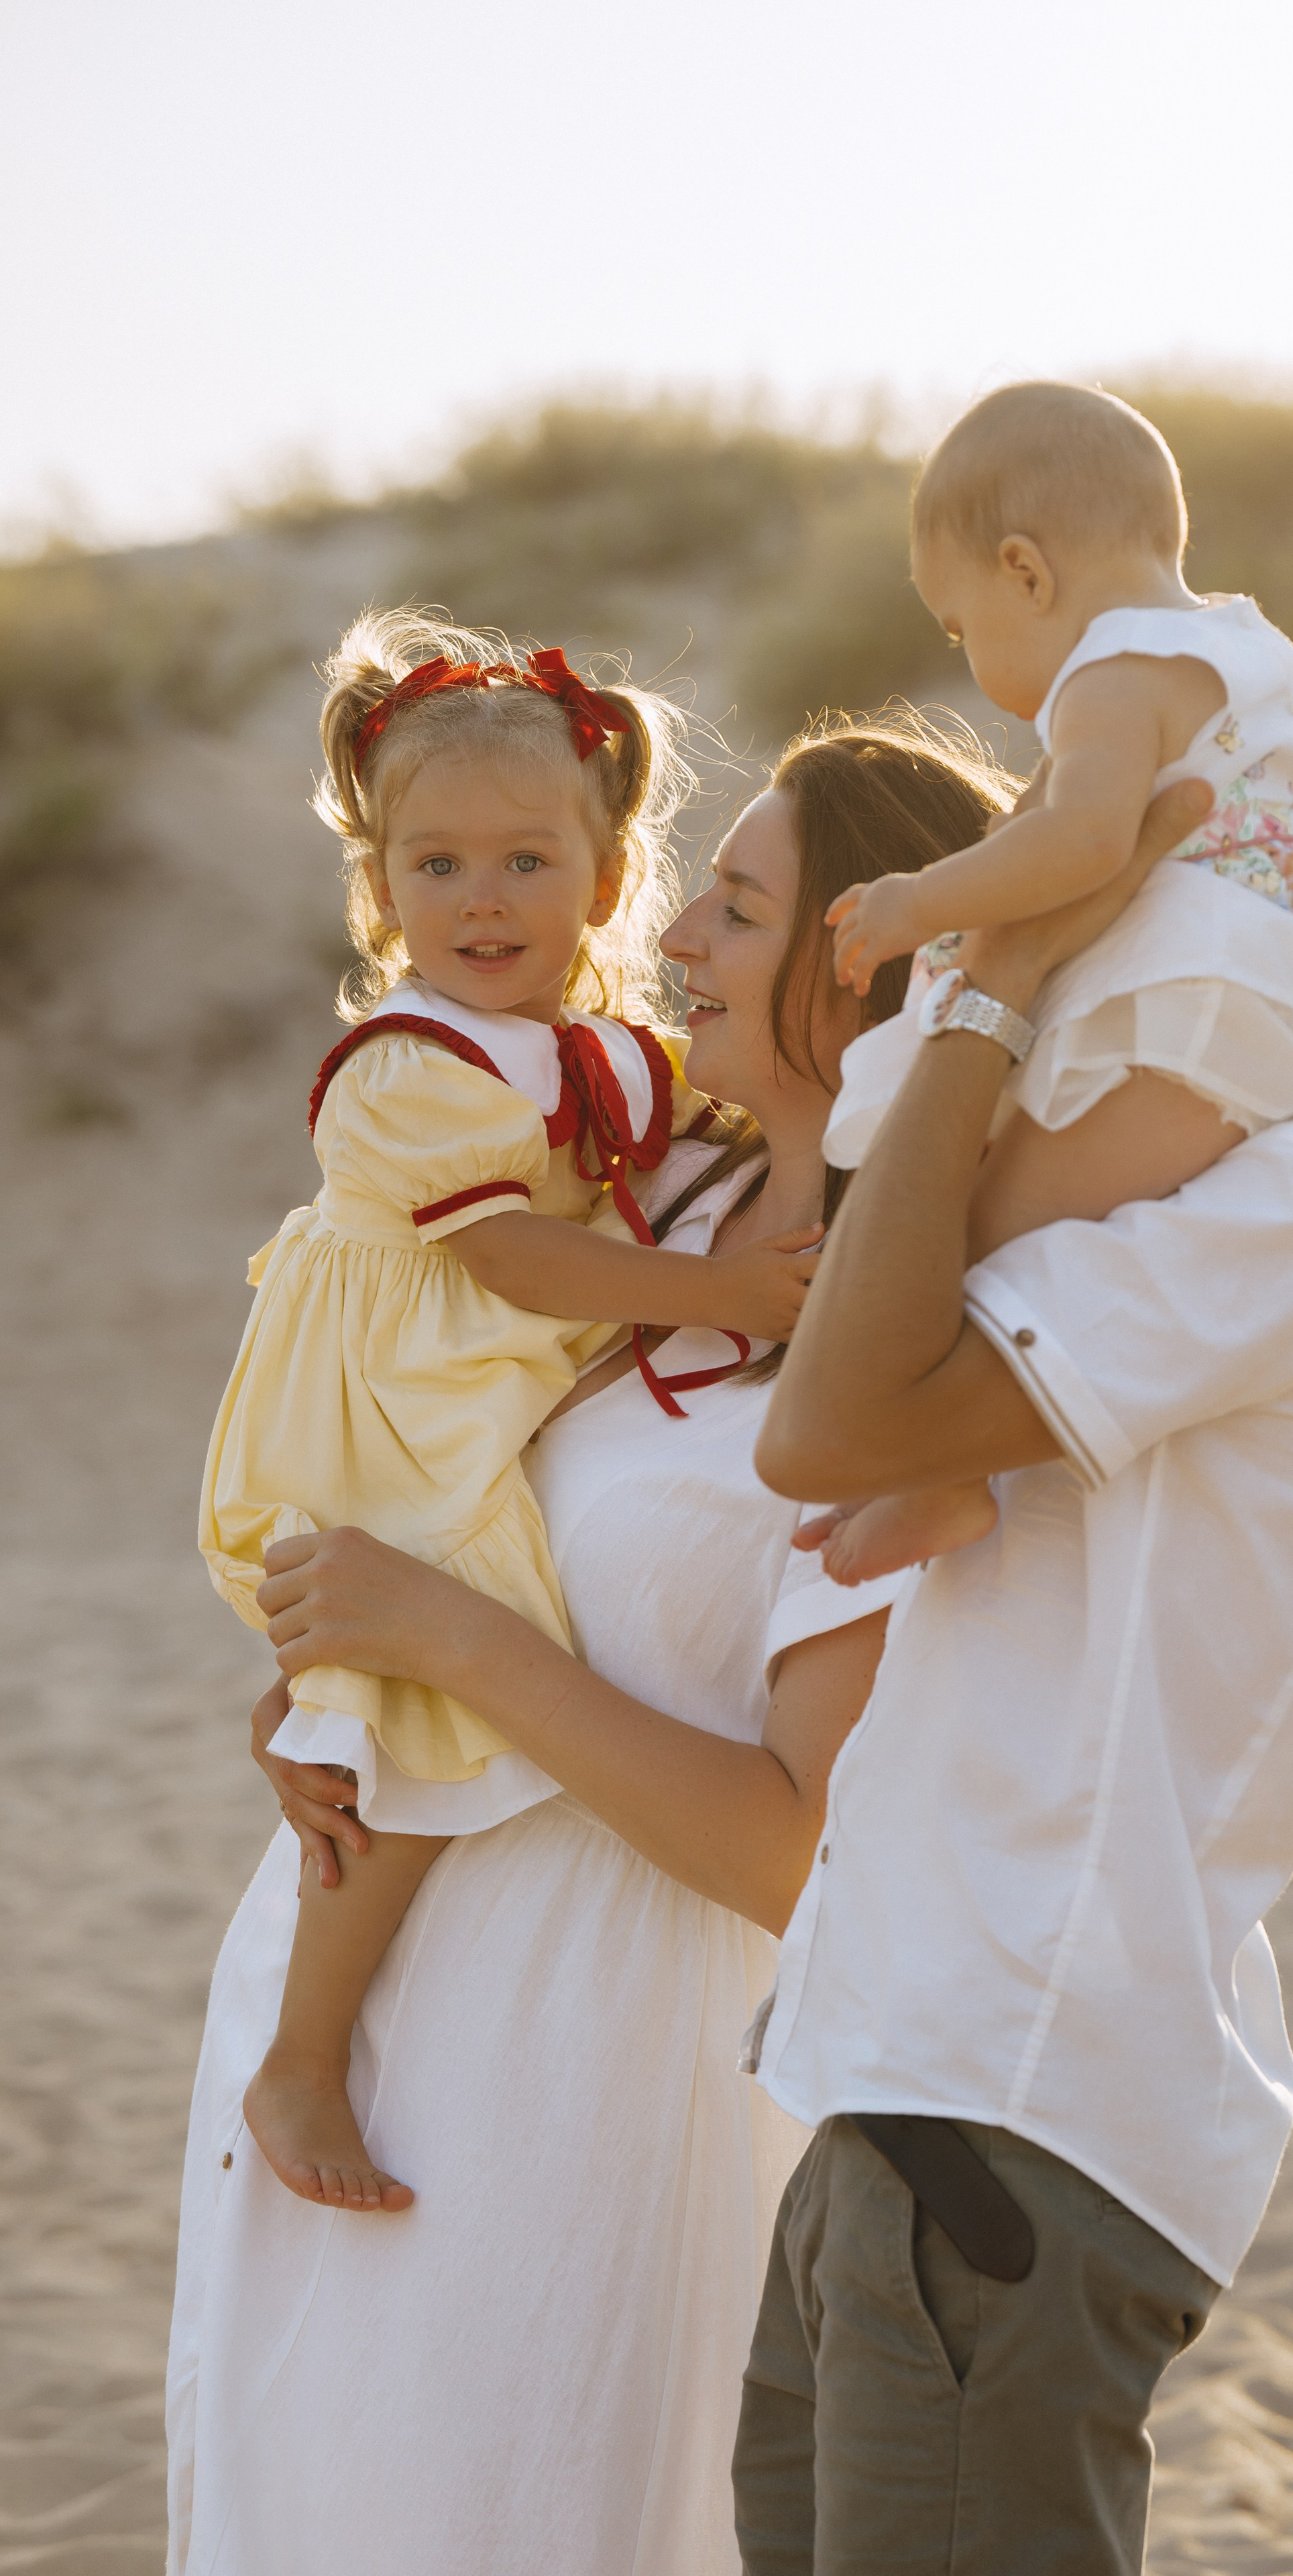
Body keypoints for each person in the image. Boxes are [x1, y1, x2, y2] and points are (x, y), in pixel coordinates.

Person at [741, 610, 1293, 2573]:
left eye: (1259, 743)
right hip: (919, 2084)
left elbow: (832, 1426)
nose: (1195, 782)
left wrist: (998, 975)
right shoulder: (1249, 1148)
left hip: (1013, 2104)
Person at [166, 715, 1023, 2576]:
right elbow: (443, 1447)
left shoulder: (922, 1344)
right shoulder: (667, 1200)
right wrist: (335, 1660)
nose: (682, 941)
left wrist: (453, 1643)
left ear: (861, 955)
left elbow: (805, 1857)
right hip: (359, 2020)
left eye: (734, 902)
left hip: (584, 2091)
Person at [199, 608, 821, 2216]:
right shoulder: (409, 1071)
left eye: (528, 864)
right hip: (385, 1408)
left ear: (606, 881)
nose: (483, 900)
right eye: (438, 868)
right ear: (381, 887)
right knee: (421, 1684)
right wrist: (739, 1303)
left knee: (408, 1684)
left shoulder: (599, 1052)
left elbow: (693, 1138)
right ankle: (306, 2053)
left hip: (462, 1397)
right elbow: (523, 1261)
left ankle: (314, 2025)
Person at [807, 380, 1293, 1586]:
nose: (972, 664)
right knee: (1030, 1218)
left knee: (978, 1227)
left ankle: (939, 1475)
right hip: (1267, 988)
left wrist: (921, 898)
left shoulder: (1110, 672)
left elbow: (1083, 842)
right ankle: (944, 1469)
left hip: (1192, 997)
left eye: (961, 628)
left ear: (1026, 572)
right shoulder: (1246, 645)